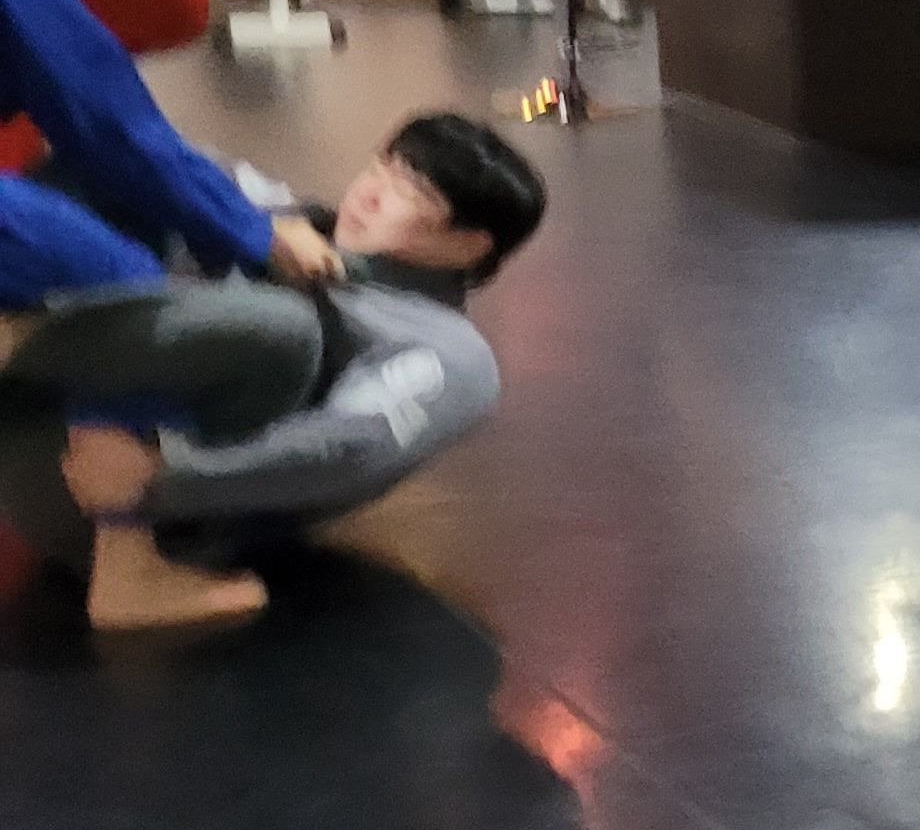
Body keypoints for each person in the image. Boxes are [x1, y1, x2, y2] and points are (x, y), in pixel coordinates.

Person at [4, 111, 537, 630]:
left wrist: (166, 475)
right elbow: (181, 166)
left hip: (121, 498)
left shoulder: (447, 351)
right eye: (382, 167)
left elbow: (349, 446)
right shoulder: (294, 223)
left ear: (468, 245)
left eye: (413, 193)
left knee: (282, 330)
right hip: (60, 414)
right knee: (121, 167)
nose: (371, 193)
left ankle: (126, 555)